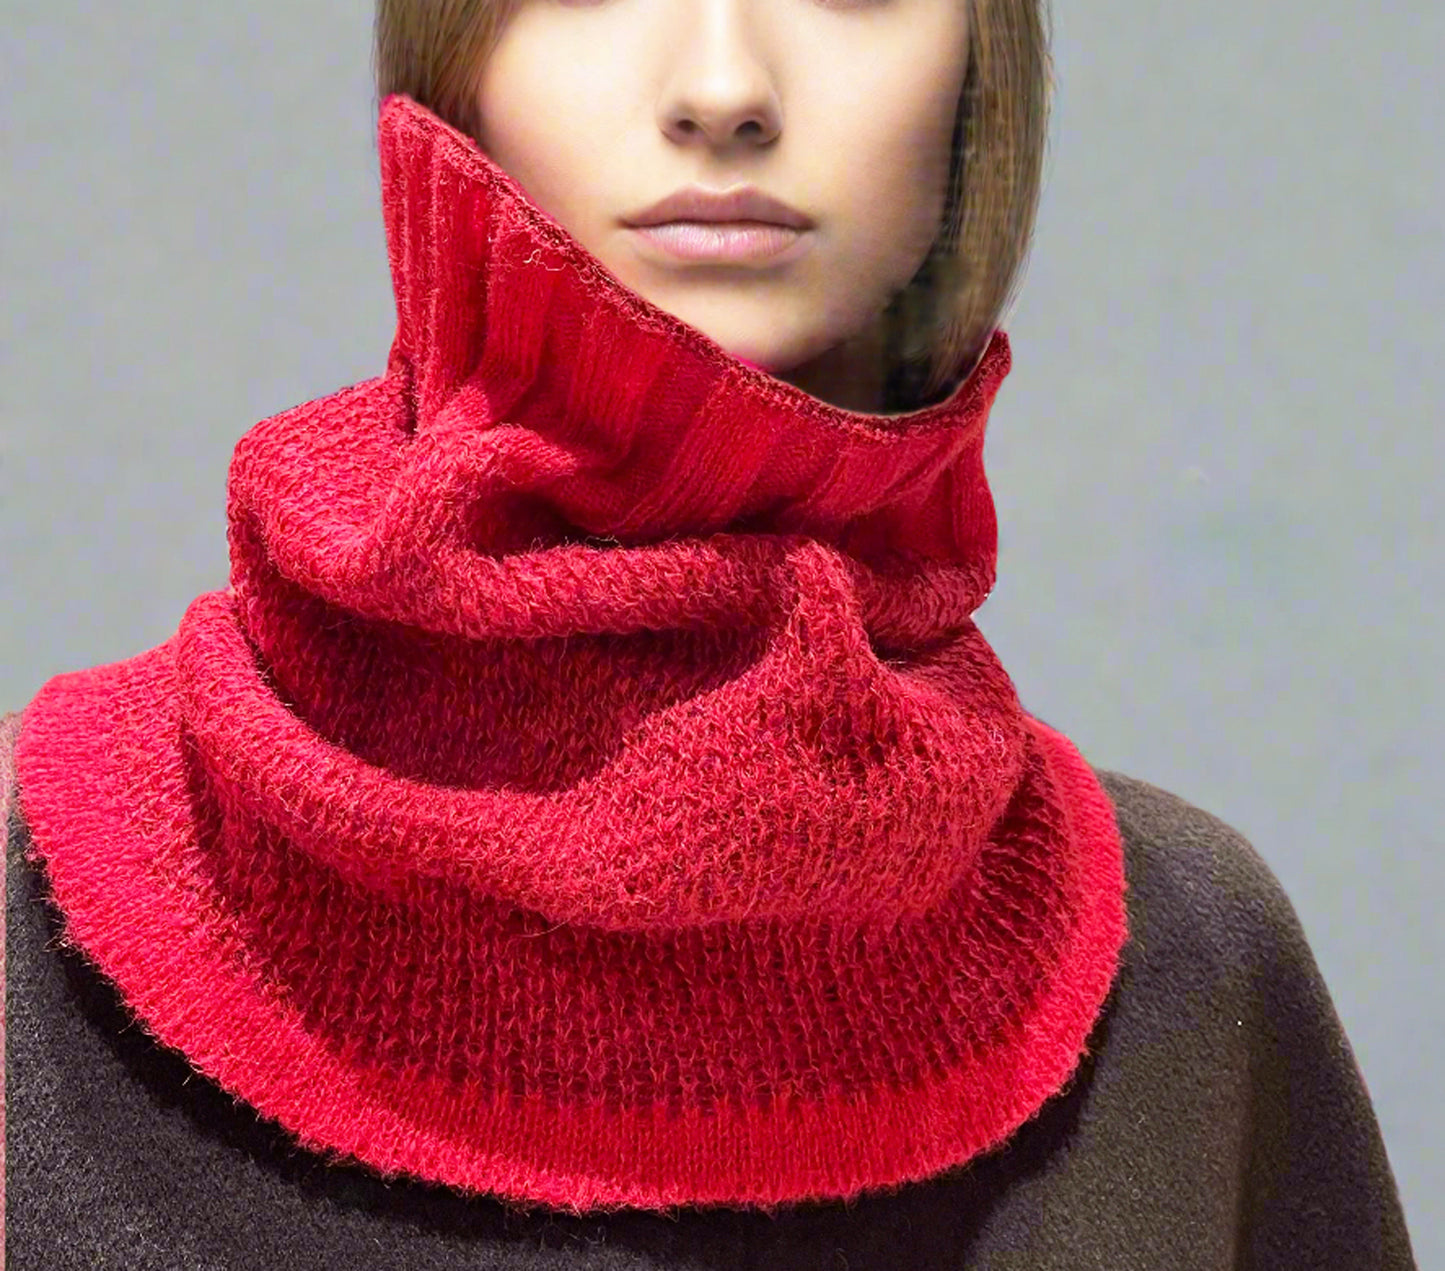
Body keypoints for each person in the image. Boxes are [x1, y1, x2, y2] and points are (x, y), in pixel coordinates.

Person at [2, 0, 1418, 1266]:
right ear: (447, 50)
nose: (724, 85)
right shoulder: (22, 919)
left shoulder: (1193, 973)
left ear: (977, 69)